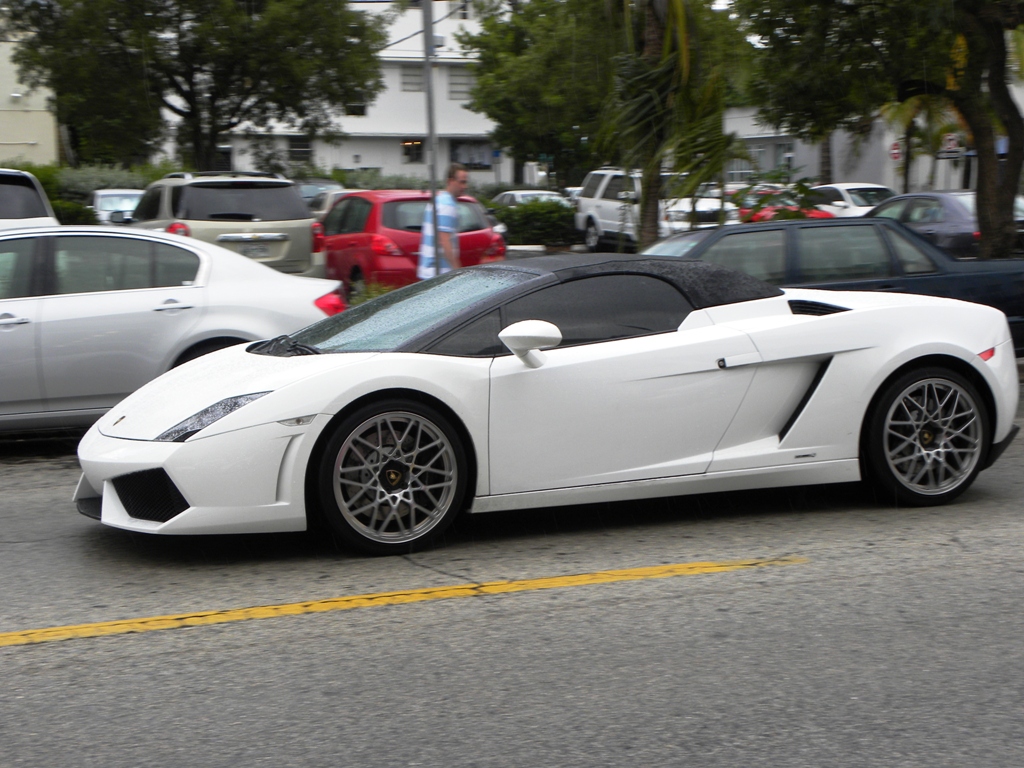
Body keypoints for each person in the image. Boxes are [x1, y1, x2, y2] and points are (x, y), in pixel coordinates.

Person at [418, 163, 468, 280]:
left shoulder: (438, 200)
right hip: (438, 273)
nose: (465, 186)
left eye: (465, 182)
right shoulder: (447, 205)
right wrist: (457, 271)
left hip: (428, 271)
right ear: (450, 181)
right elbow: (444, 240)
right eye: (461, 182)